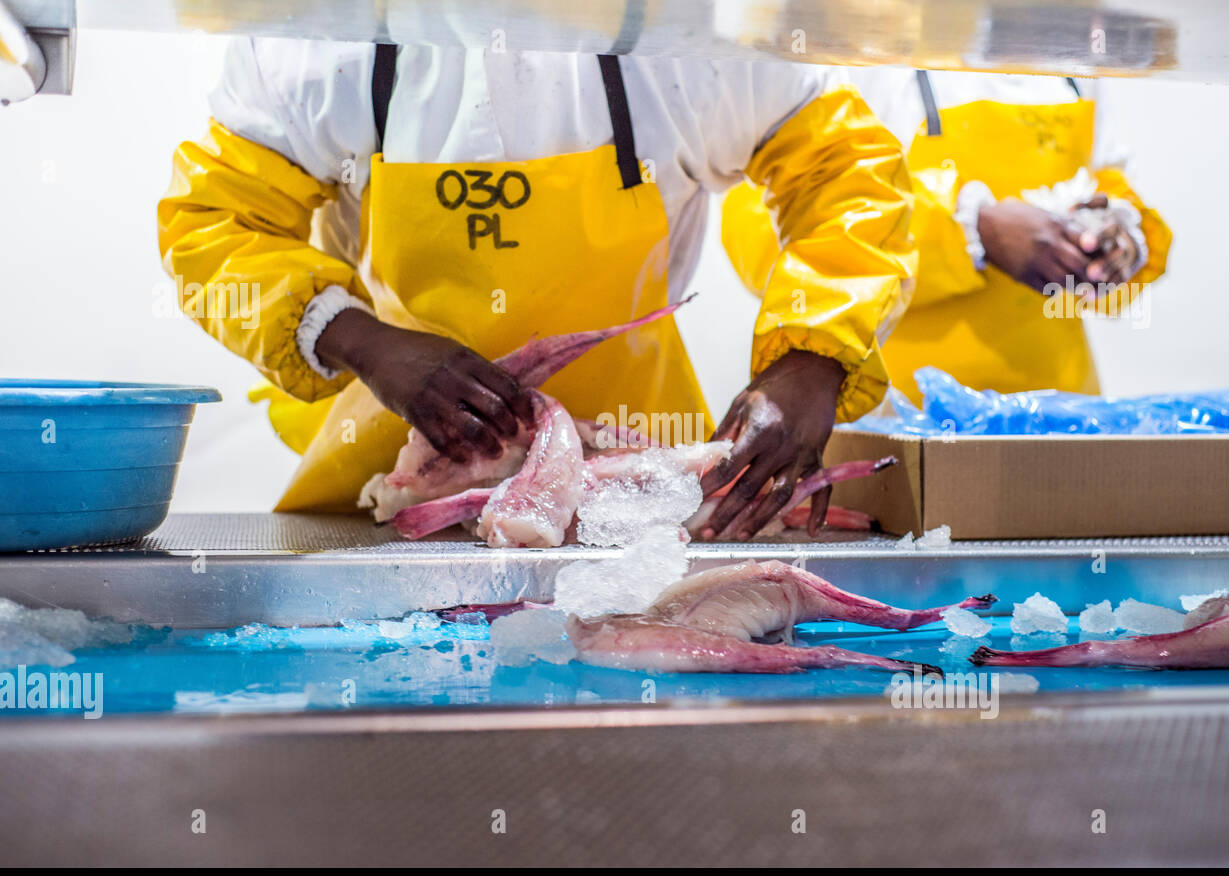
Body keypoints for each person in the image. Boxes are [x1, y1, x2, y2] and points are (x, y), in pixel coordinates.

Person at [159, 43, 915, 539]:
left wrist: (815, 356)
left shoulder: (689, 43)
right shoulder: (332, 44)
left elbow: (846, 180)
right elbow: (214, 221)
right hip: (391, 482)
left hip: (639, 498)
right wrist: (364, 340)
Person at [722, 67, 1171, 406]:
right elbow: (763, 237)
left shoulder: (1066, 45)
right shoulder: (855, 45)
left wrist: (1117, 244)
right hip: (897, 425)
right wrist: (974, 230)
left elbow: (1110, 186)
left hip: (1060, 420)